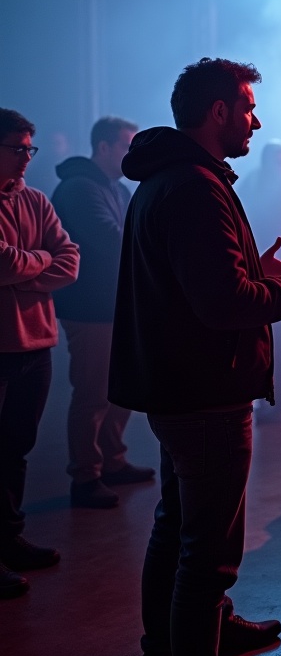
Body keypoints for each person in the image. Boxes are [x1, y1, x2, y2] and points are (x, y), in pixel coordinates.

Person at [109, 58, 281, 656]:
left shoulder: (173, 179)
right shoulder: (194, 188)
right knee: (206, 552)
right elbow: (223, 303)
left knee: (176, 530)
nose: (254, 119)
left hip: (178, 386)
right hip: (204, 392)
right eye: (245, 106)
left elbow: (206, 281)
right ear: (216, 113)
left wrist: (254, 269)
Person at [52, 115, 154, 510]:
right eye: (128, 146)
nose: (134, 155)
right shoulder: (79, 188)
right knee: (93, 394)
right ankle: (87, 475)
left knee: (120, 391)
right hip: (91, 308)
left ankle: (111, 460)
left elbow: (130, 236)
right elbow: (115, 240)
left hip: (115, 305)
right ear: (104, 147)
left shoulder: (115, 187)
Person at [0, 109, 79, 599]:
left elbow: (69, 262)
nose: (27, 157)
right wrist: (38, 263)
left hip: (36, 343)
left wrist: (25, 266)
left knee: (16, 450)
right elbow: (2, 263)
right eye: (17, 148)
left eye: (30, 148)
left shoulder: (36, 200)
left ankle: (8, 539)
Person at [238, 140, 281, 424]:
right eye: (278, 162)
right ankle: (277, 398)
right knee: (268, 341)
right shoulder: (250, 189)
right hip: (259, 272)